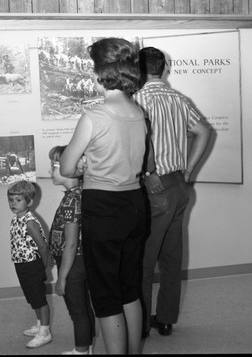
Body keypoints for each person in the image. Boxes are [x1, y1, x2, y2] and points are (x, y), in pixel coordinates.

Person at [60, 38, 147, 354]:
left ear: (102, 73)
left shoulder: (94, 116)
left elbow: (67, 167)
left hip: (105, 209)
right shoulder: (137, 113)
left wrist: (83, 163)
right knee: (129, 289)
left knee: (106, 296)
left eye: (92, 68)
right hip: (136, 205)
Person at [133, 46, 212, 338]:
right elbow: (204, 132)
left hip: (154, 187)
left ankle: (139, 326)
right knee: (170, 258)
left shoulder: (137, 99)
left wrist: (151, 173)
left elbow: (142, 141)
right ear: (163, 68)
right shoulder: (179, 98)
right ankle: (165, 319)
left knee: (142, 260)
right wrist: (189, 171)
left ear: (139, 70)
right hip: (179, 184)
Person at [48, 145, 95, 355]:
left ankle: (82, 349)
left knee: (77, 310)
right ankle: (88, 345)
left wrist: (62, 277)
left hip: (72, 264)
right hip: (78, 261)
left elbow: (72, 243)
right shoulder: (78, 193)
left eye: (54, 166)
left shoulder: (71, 200)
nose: (50, 172)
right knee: (84, 306)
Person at [7, 180, 52, 349]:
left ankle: (45, 332)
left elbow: (42, 246)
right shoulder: (16, 219)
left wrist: (45, 266)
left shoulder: (30, 222)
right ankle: (40, 324)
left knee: (40, 299)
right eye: (11, 200)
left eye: (18, 200)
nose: (13, 203)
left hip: (32, 264)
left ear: (29, 202)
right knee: (32, 297)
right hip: (21, 264)